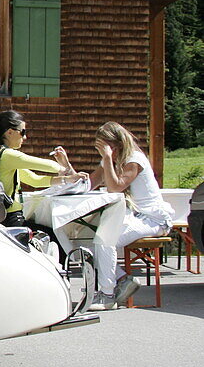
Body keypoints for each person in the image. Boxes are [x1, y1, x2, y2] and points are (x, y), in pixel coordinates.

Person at [53, 122, 172, 310]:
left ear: (116, 145)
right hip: (132, 215)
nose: (105, 154)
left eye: (107, 149)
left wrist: (108, 159)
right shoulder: (110, 160)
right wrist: (68, 169)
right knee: (86, 242)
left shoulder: (134, 160)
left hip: (152, 219)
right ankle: (122, 279)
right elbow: (89, 184)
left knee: (105, 239)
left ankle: (107, 295)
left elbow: (114, 188)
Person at [0, 111, 85, 227]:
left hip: (1, 218)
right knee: (51, 238)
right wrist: (63, 166)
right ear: (10, 132)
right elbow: (43, 165)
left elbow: (34, 180)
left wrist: (68, 179)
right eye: (22, 132)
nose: (25, 137)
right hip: (11, 218)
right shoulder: (8, 155)